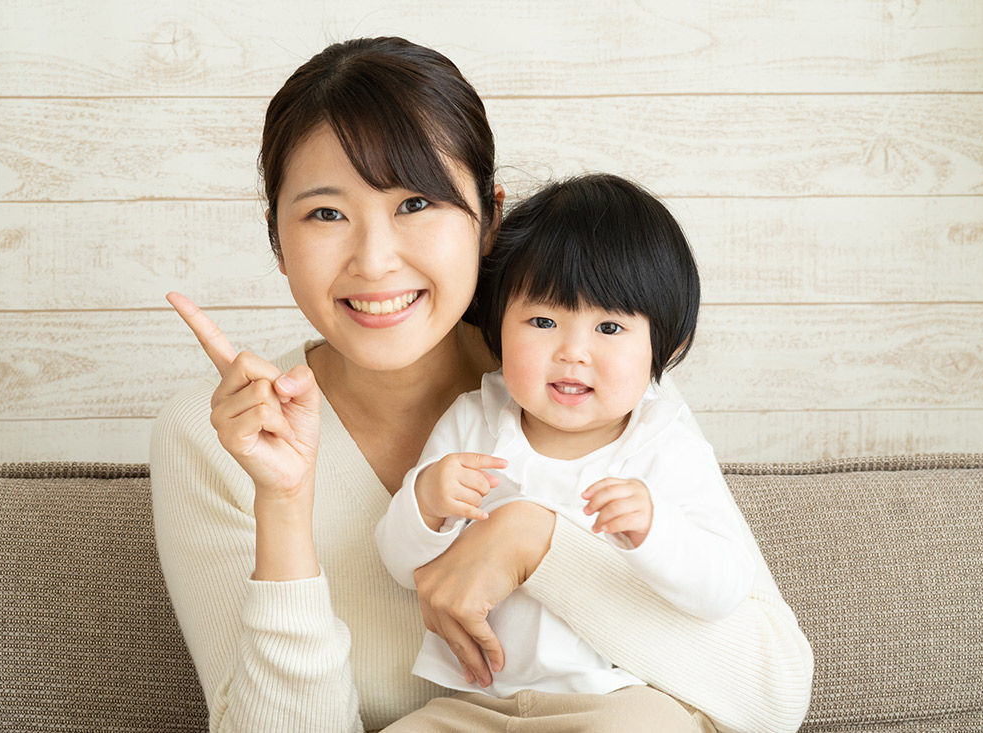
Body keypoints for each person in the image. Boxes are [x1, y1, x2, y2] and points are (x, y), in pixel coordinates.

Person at [149, 37, 813, 733]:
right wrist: (283, 504)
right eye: (325, 213)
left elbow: (772, 696)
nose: (375, 261)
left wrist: (535, 542)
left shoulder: (578, 375)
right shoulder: (216, 436)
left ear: (488, 219)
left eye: (415, 204)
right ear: (277, 240)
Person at [374, 174, 762, 728]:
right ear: (496, 326)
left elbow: (724, 587)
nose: (572, 353)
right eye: (542, 321)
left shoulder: (664, 444)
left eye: (609, 326)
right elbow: (400, 565)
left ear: (666, 344)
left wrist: (657, 532)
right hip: (480, 702)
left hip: (615, 697)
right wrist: (426, 501)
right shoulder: (474, 420)